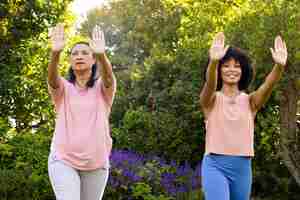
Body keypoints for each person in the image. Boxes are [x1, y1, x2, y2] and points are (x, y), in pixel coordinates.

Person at [199, 32, 287, 200]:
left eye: (237, 66)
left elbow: (268, 85)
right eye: (226, 65)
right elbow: (210, 84)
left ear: (243, 70)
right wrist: (213, 62)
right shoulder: (210, 100)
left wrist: (279, 67)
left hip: (242, 168)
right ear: (219, 70)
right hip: (215, 165)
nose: (232, 70)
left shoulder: (250, 102)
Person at [47, 23, 116, 200]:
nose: (79, 56)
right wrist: (55, 53)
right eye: (74, 53)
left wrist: (102, 55)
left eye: (85, 53)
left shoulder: (102, 89)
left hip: (96, 163)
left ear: (93, 60)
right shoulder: (63, 88)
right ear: (70, 60)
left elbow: (108, 78)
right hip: (63, 159)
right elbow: (53, 80)